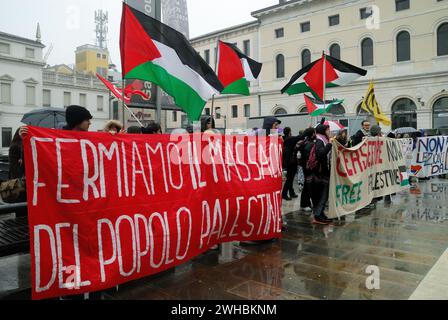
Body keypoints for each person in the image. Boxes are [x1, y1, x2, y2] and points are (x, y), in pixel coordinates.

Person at [311, 120, 334, 225]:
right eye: (328, 129)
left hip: (322, 172)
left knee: (323, 195)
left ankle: (321, 214)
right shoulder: (320, 141)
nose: (329, 131)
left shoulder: (322, 139)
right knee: (323, 195)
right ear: (323, 131)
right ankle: (318, 216)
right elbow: (321, 154)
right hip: (321, 173)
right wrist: (329, 145)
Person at [282, 128, 305, 201]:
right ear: (289, 132)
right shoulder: (289, 139)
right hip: (291, 162)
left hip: (288, 162)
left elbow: (291, 149)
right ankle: (284, 194)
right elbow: (299, 137)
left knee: (290, 178)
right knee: (290, 179)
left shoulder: (284, 139)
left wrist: (296, 147)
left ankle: (291, 192)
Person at [298, 127, 317, 213]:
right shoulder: (309, 144)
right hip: (308, 168)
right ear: (312, 134)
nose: (315, 134)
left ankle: (306, 203)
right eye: (314, 133)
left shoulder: (305, 142)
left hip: (305, 167)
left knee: (308, 185)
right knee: (307, 186)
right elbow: (309, 157)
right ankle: (304, 204)